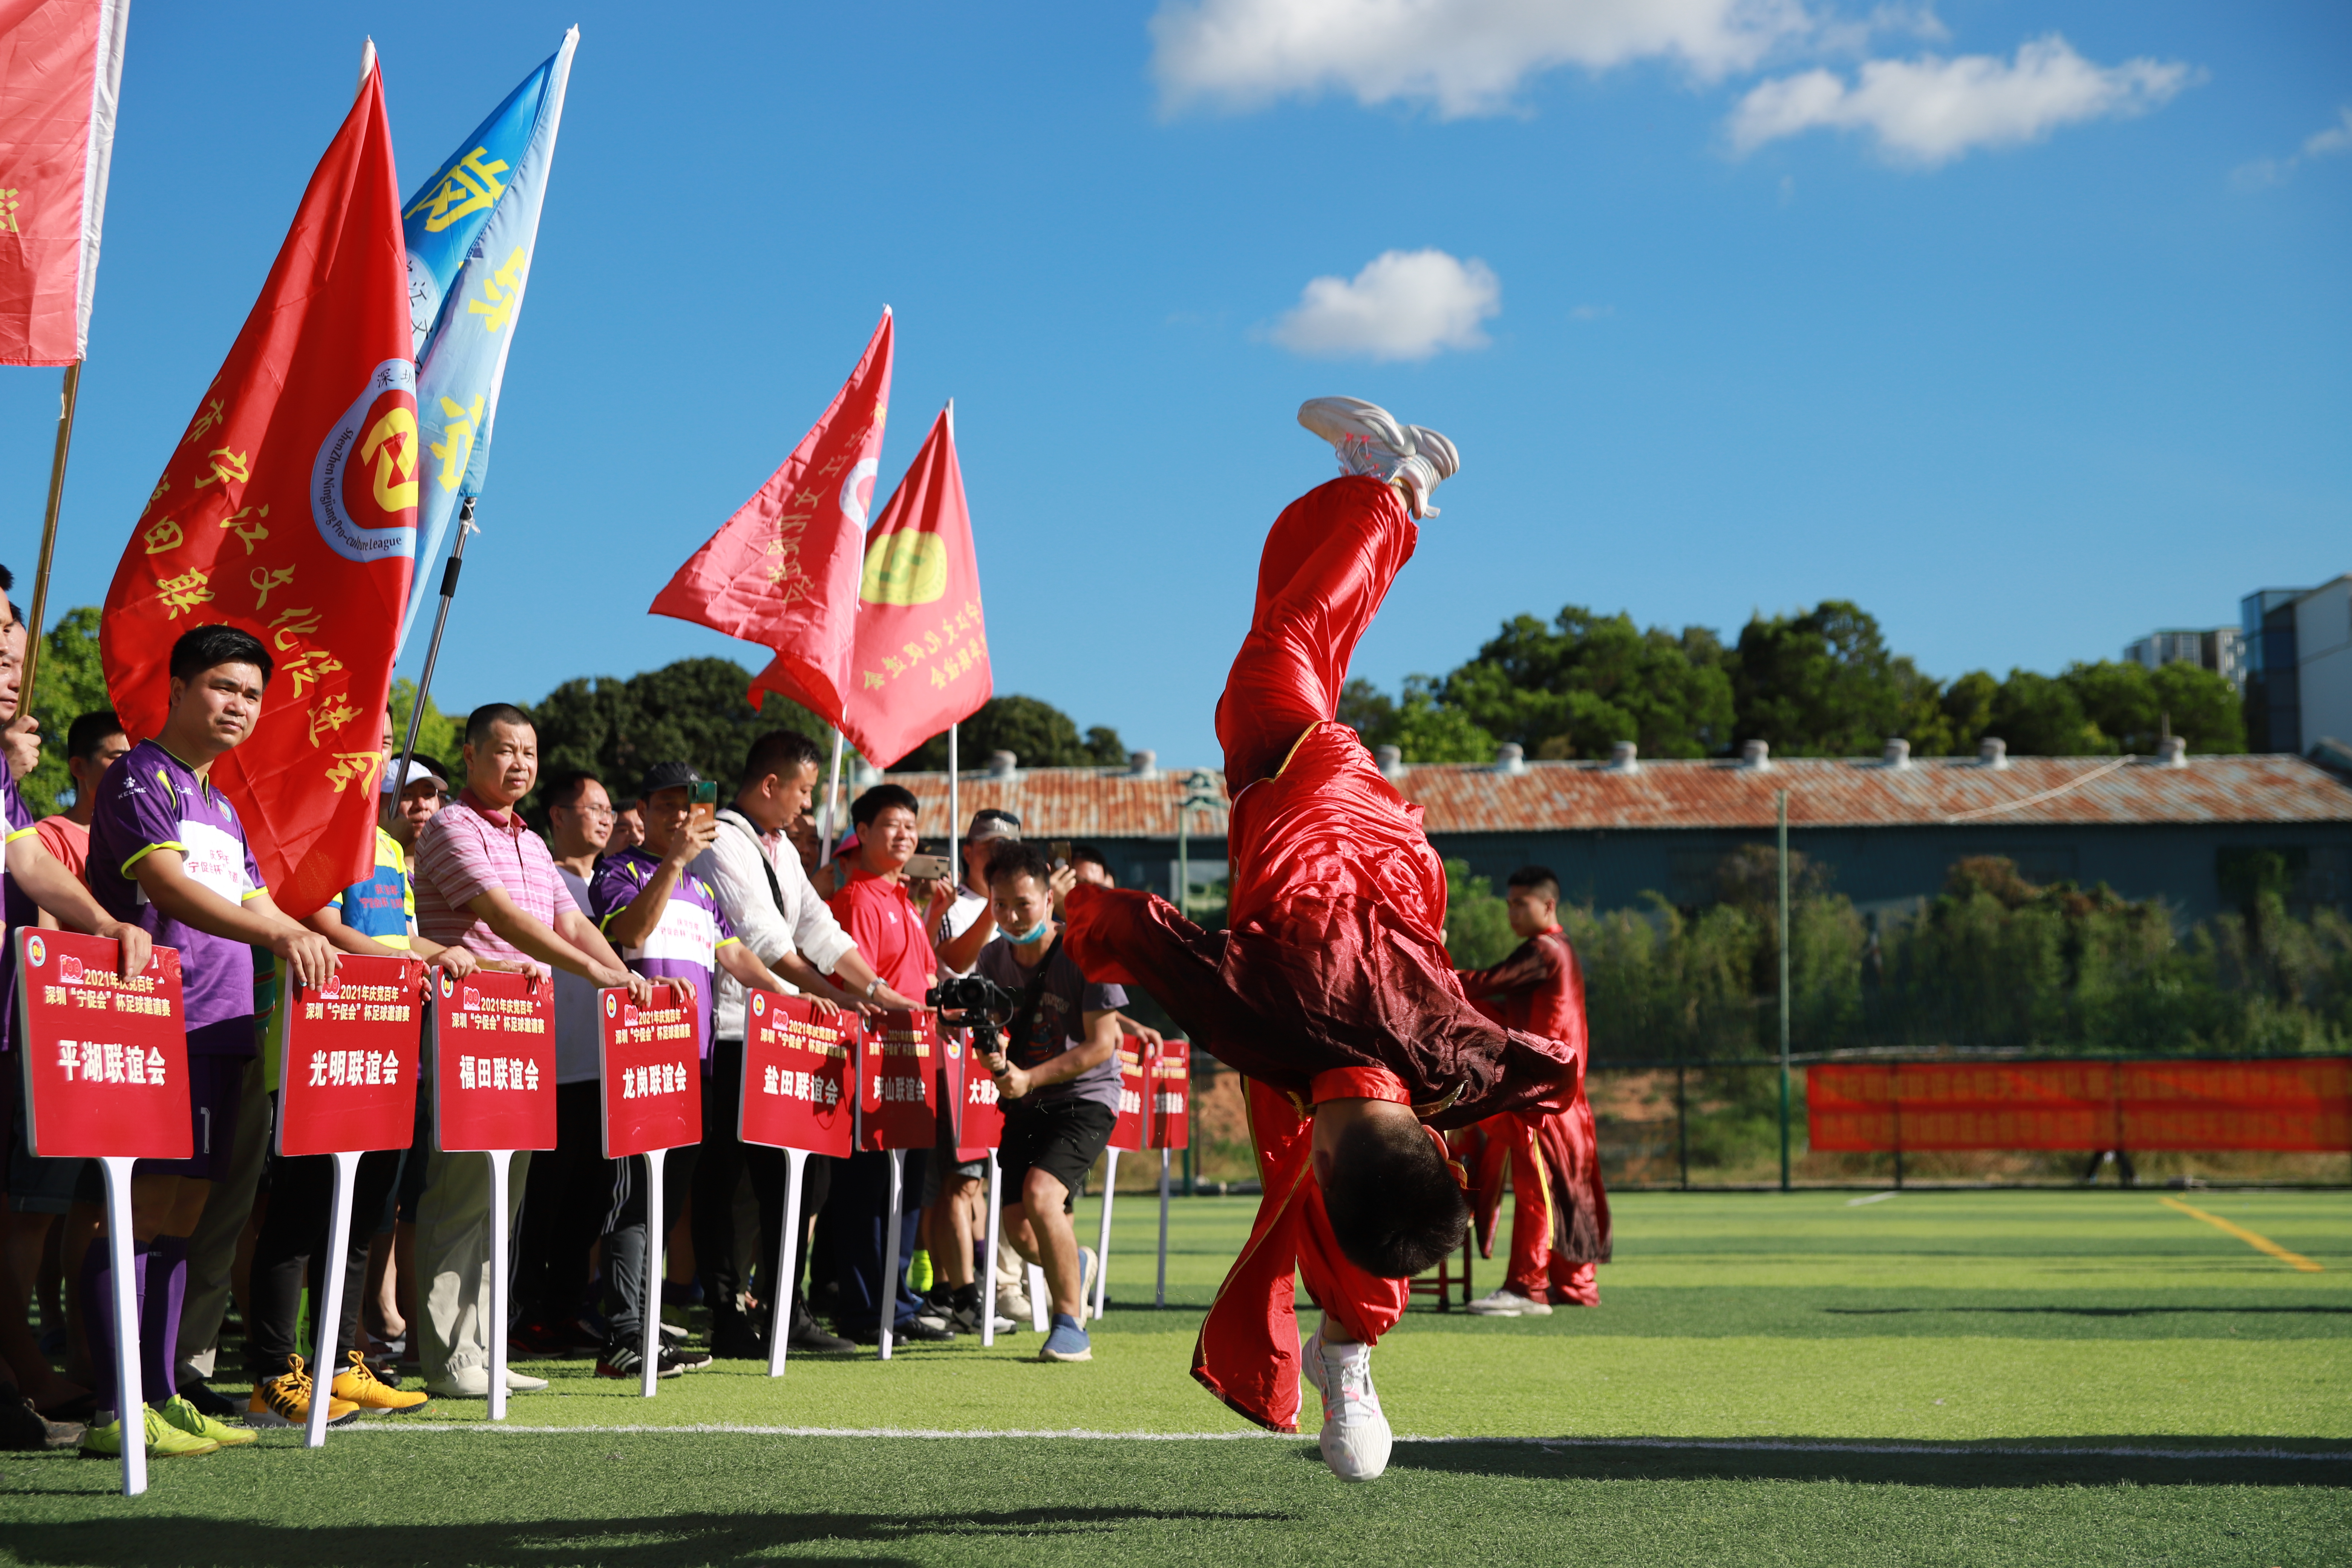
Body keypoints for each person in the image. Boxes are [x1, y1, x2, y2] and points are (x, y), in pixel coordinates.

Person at [1060, 398, 1580, 1482]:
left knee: (1298, 634)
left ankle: (1350, 1359)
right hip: (1314, 795)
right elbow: (1127, 927)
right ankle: (1395, 491)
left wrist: (1464, 1095)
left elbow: (1549, 1067)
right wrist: (1077, 904)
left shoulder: (1447, 1063)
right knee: (1286, 643)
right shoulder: (1260, 1019)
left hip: (1386, 847)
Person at [82, 623, 334, 1460]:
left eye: (253, 696)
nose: (239, 706)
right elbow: (166, 887)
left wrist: (299, 932)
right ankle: (116, 1408)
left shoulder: (222, 802)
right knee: (139, 1215)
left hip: (226, 1029)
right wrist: (280, 938)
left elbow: (259, 905)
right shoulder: (137, 776)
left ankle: (163, 1394)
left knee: (184, 1218)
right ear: (180, 687)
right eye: (225, 687)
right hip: (158, 1023)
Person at [410, 704, 651, 1399]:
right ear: (470, 754)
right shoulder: (452, 826)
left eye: (530, 753)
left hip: (523, 1023)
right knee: (462, 1190)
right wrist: (596, 973)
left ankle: (487, 1347)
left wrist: (623, 972)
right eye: (505, 751)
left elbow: (570, 919)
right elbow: (500, 916)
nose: (519, 764)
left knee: (504, 1194)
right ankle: (452, 1355)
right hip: (467, 1017)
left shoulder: (532, 842)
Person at [243, 735, 475, 1426]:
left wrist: (454, 957)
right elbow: (313, 917)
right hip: (318, 1049)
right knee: (299, 1215)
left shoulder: (392, 848)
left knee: (361, 1216)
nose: (376, 752)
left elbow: (399, 939)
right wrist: (400, 967)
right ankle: (272, 1375)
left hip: (383, 1051)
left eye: (383, 742)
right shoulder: (312, 826)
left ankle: (340, 1362)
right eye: (369, 743)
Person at [590, 762, 808, 1379]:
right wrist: (676, 863)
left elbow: (735, 956)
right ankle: (622, 1335)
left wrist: (791, 997)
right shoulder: (622, 870)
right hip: (640, 1060)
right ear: (645, 809)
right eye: (667, 805)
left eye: (692, 806)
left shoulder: (702, 891)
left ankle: (642, 1324)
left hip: (697, 1066)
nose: (682, 817)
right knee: (633, 1199)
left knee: (665, 1200)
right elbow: (629, 932)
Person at [699, 730, 910, 1358]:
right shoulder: (721, 843)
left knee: (800, 1179)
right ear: (770, 785)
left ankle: (785, 1308)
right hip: (734, 1031)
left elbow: (818, 924)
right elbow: (764, 939)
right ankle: (727, 1310)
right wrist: (840, 997)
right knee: (730, 1180)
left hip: (789, 1032)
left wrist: (875, 988)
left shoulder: (782, 847)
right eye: (803, 791)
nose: (806, 807)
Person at [968, 842, 1124, 1363]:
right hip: (1027, 1103)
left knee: (1041, 1197)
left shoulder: (1087, 950)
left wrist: (1029, 1077)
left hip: (1085, 1098)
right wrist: (992, 1052)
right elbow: (995, 1034)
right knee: (1020, 1231)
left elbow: (1104, 1044)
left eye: (1023, 904)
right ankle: (1074, 1262)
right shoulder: (991, 958)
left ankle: (1069, 1324)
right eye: (1000, 906)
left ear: (1049, 900)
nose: (1011, 917)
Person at [823, 783, 951, 1344]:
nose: (905, 835)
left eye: (911, 826)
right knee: (867, 1193)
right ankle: (863, 1307)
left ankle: (895, 1305)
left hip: (914, 1068)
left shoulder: (903, 901)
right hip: (869, 1069)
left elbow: (923, 982)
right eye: (892, 825)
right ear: (864, 834)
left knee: (903, 1192)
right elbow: (861, 987)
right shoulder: (857, 900)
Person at [1454, 866, 1611, 1316]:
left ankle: (1527, 1286)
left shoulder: (1542, 949)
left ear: (1549, 905)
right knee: (1564, 1189)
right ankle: (1575, 1283)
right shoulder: (1561, 950)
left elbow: (1482, 984)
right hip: (1565, 1096)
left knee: (1536, 1189)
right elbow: (1502, 1005)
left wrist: (1428, 970)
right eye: (1509, 904)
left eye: (1520, 904)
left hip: (1542, 1096)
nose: (1512, 913)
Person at [511, 769, 618, 1359]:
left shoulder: (616, 885)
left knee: (589, 1205)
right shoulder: (538, 878)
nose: (603, 818)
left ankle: (566, 1310)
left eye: (609, 809)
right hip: (551, 1067)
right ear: (555, 816)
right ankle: (524, 1313)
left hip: (606, 1071)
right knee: (542, 1205)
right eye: (591, 807)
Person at [32, 710, 128, 890]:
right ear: (79, 767)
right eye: (119, 759)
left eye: (137, 760)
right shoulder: (48, 839)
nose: (133, 770)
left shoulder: (147, 834)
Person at [930, 809, 1020, 978]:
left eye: (1009, 849)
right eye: (991, 849)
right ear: (968, 854)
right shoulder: (950, 901)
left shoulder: (1025, 903)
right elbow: (957, 962)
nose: (999, 857)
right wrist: (996, 903)